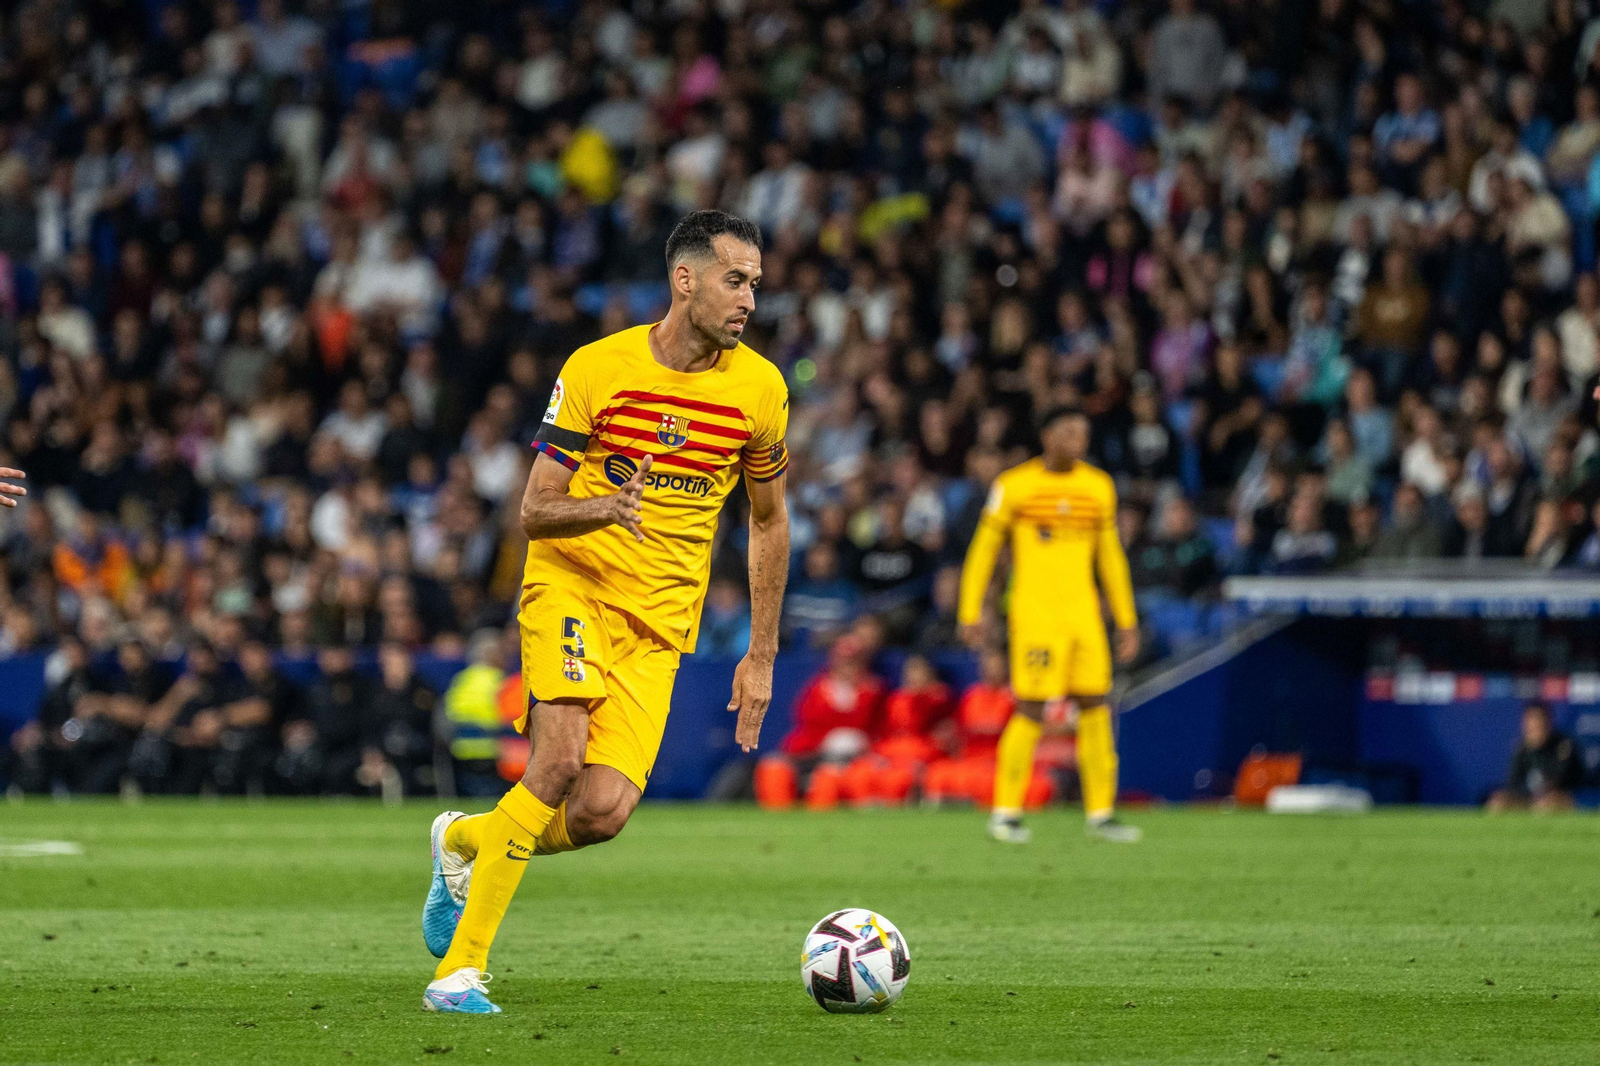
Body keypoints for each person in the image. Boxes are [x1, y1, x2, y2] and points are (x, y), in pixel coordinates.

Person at [420, 211, 790, 1014]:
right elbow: (533, 510)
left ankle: (464, 840)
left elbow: (768, 521)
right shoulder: (598, 368)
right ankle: (461, 972)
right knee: (555, 765)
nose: (749, 300)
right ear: (684, 281)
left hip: (660, 626)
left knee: (599, 813)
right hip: (574, 587)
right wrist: (604, 509)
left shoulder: (761, 390)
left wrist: (760, 654)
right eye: (736, 280)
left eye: (756, 284)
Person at [957, 406, 1141, 844]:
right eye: (1070, 432)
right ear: (1048, 436)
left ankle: (1101, 814)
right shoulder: (1015, 485)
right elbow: (983, 550)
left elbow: (1110, 556)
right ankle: (1005, 812)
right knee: (1032, 707)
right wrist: (970, 610)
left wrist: (1126, 619)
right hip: (1036, 614)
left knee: (1096, 702)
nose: (1079, 440)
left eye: (1084, 432)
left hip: (1084, 615)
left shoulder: (1098, 486)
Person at [1488, 703, 1584, 812]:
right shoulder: (1521, 749)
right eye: (1531, 726)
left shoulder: (1562, 746)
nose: (1535, 728)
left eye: (1539, 724)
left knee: (1546, 805)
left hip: (1555, 797)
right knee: (1498, 803)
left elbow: (1561, 778)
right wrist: (1525, 797)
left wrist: (1542, 795)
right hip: (1527, 799)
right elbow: (1514, 782)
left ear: (1548, 723)